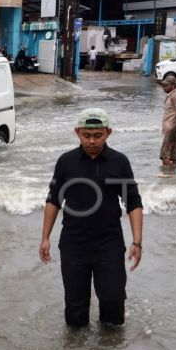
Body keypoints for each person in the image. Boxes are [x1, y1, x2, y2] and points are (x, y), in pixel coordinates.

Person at [39, 108, 143, 328]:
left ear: (108, 133)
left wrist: (137, 241)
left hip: (109, 243)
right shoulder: (66, 162)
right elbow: (54, 200)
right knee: (75, 308)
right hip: (74, 243)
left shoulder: (119, 162)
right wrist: (45, 237)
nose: (92, 141)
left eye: (98, 136)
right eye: (87, 135)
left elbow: (133, 202)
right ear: (77, 133)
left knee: (113, 303)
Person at [159, 75, 176, 166]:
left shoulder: (175, 96)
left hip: (172, 128)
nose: (164, 87)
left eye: (166, 85)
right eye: (163, 85)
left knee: (165, 154)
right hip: (173, 127)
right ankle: (173, 174)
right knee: (174, 153)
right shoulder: (171, 95)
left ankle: (166, 174)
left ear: (173, 85)